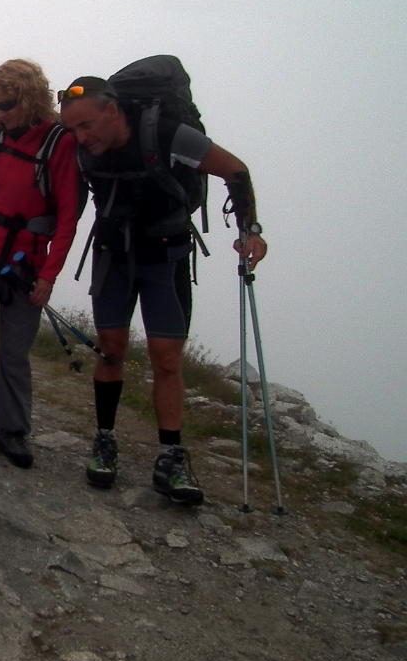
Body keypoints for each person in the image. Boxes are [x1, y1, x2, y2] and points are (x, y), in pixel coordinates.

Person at [58, 76, 267, 505]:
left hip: (166, 256)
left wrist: (250, 230)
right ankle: (104, 441)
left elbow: (234, 170)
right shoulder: (81, 148)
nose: (80, 138)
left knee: (166, 358)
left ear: (112, 111)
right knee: (111, 349)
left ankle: (171, 455)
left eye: (86, 126)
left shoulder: (167, 134)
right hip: (114, 252)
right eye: (72, 130)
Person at [0, 59, 80, 467]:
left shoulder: (59, 144)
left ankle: (12, 432)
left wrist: (48, 276)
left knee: (15, 347)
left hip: (28, 258)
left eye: (6, 105)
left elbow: (68, 217)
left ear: (29, 100)